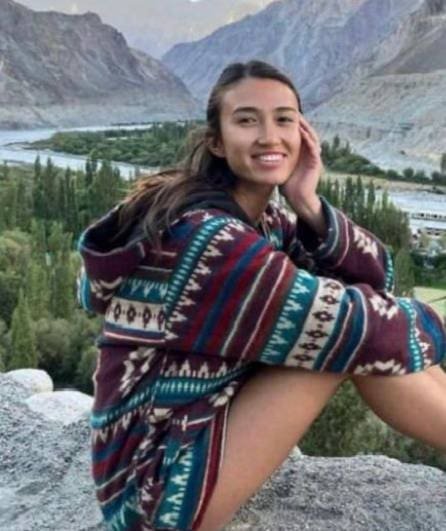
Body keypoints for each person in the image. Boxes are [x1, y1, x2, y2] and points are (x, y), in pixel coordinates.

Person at [78, 60, 446, 531]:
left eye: (284, 119)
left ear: (304, 133)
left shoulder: (262, 221)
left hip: (189, 437)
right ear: (215, 140)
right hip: (152, 494)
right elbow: (361, 328)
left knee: (349, 324)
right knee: (340, 341)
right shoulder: (206, 239)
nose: (269, 136)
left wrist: (309, 204)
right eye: (247, 120)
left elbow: (375, 277)